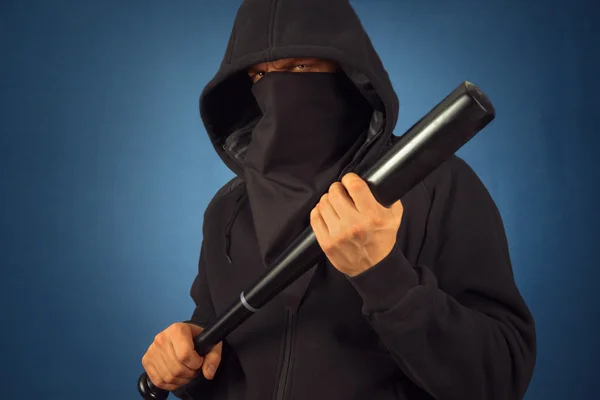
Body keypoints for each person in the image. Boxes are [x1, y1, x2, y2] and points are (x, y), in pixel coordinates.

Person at [141, 0, 537, 399]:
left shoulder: (434, 184)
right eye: (259, 75)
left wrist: (383, 276)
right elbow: (215, 354)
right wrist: (185, 360)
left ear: (348, 72)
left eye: (299, 66)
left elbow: (499, 378)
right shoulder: (227, 210)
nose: (276, 90)